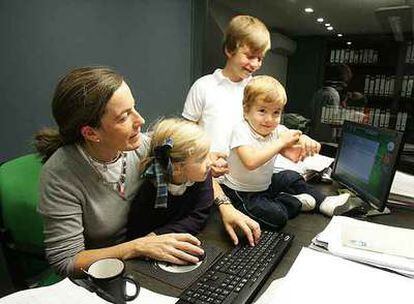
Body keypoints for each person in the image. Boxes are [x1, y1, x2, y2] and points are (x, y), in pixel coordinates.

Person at [35, 66, 259, 277]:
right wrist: (139, 246)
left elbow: (195, 170)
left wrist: (225, 207)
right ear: (91, 133)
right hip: (106, 270)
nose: (140, 120)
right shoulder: (60, 175)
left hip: (148, 250)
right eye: (124, 117)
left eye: (134, 107)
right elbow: (66, 262)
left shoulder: (144, 145)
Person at [183, 15, 321, 167]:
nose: (255, 64)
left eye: (260, 58)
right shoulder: (203, 86)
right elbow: (188, 135)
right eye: (249, 56)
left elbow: (270, 126)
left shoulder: (257, 89)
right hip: (210, 174)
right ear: (230, 50)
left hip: (247, 176)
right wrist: (205, 158)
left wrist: (298, 138)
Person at [221, 76, 352, 229]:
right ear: (246, 110)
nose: (269, 119)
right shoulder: (241, 130)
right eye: (262, 111)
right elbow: (251, 162)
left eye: (276, 113)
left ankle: (324, 202)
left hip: (265, 186)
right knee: (276, 217)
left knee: (291, 176)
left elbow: (295, 136)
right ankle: (291, 201)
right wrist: (281, 143)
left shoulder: (275, 130)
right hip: (241, 192)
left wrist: (305, 139)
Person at [127, 118, 213, 238]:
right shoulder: (151, 190)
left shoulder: (203, 178)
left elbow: (199, 215)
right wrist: (154, 237)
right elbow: (138, 232)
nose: (209, 163)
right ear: (177, 168)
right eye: (202, 159)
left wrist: (160, 234)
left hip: (182, 237)